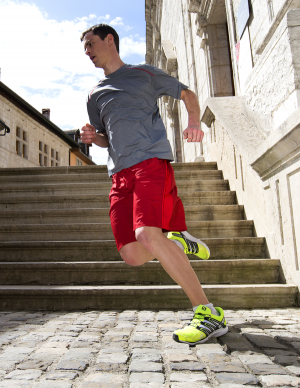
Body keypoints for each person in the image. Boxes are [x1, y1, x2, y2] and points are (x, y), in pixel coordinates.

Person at [79, 24, 228, 345]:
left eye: (90, 44)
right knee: (132, 254)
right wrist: (93, 138)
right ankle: (176, 241)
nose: (87, 52)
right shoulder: (94, 95)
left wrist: (193, 122)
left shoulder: (143, 74)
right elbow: (105, 137)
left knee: (147, 233)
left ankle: (208, 313)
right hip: (119, 174)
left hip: (150, 163)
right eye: (85, 48)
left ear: (109, 40)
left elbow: (186, 93)